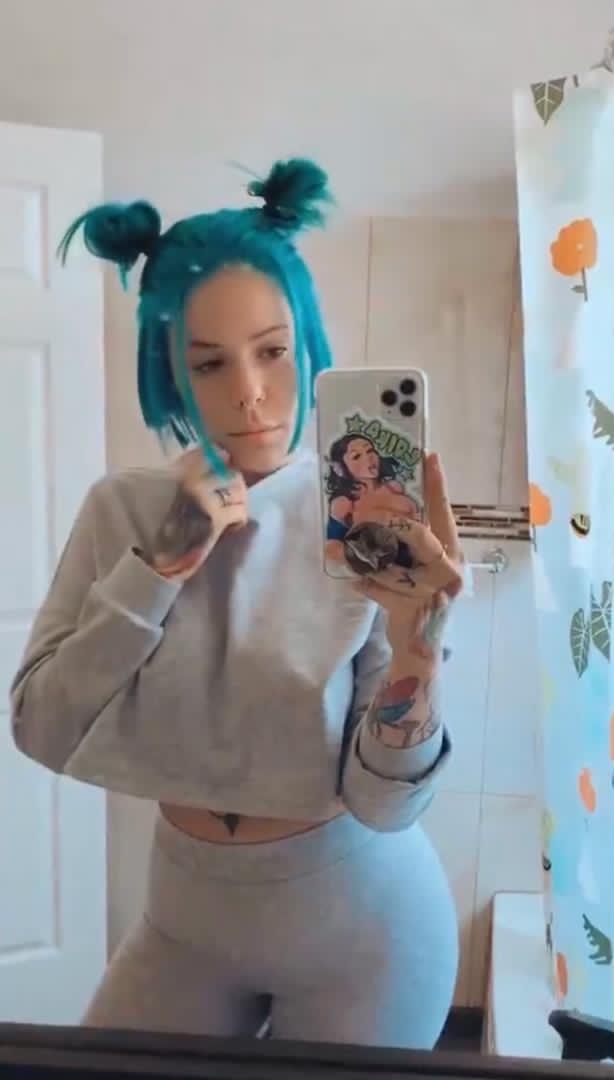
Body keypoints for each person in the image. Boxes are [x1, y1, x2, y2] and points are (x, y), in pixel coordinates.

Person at [10, 158, 464, 1049]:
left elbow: (386, 806)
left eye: (273, 351)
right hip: (185, 919)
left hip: (364, 930)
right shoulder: (123, 510)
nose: (249, 392)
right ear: (168, 370)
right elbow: (42, 728)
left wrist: (419, 644)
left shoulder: (367, 523)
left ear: (309, 343)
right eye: (209, 362)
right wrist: (161, 564)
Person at [325, 432, 419, 541]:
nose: (369, 458)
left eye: (370, 450)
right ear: (340, 469)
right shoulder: (344, 504)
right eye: (356, 456)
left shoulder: (393, 487)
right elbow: (334, 545)